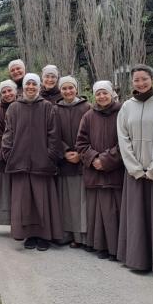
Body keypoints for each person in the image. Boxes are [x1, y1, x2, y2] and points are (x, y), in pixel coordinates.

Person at [116, 64, 153, 271]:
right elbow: (123, 138)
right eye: (136, 80)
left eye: (144, 79)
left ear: (152, 79)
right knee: (136, 218)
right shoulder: (127, 107)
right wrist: (135, 168)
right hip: (135, 173)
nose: (140, 83)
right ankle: (137, 260)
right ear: (132, 83)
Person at [2, 73, 63, 251]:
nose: (30, 87)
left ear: (38, 87)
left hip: (42, 163)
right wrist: (8, 153)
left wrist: (50, 155)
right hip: (19, 162)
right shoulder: (13, 108)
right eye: (27, 84)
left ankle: (44, 236)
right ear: (23, 87)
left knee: (42, 201)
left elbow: (54, 134)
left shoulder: (47, 107)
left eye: (34, 85)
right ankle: (28, 234)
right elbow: (8, 132)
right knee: (25, 202)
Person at [76, 80, 124, 260]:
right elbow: (80, 143)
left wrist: (106, 160)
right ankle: (100, 246)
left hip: (115, 172)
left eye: (105, 93)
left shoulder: (122, 112)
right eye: (98, 94)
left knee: (115, 213)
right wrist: (94, 158)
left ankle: (116, 249)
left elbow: (126, 142)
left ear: (112, 93)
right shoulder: (88, 116)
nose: (102, 96)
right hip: (94, 173)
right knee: (97, 214)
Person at [54, 76, 90, 247]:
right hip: (63, 162)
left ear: (76, 88)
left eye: (71, 88)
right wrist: (65, 151)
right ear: (60, 90)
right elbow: (52, 135)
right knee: (65, 200)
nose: (68, 91)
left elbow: (91, 133)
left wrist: (79, 153)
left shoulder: (87, 108)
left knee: (80, 201)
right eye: (64, 88)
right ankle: (66, 234)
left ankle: (80, 236)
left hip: (81, 161)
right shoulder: (55, 109)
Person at [0, 80, 16, 225]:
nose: (7, 94)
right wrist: (4, 155)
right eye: (4, 92)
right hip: (4, 160)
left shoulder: (22, 107)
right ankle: (8, 221)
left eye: (9, 90)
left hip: (21, 159)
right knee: (6, 193)